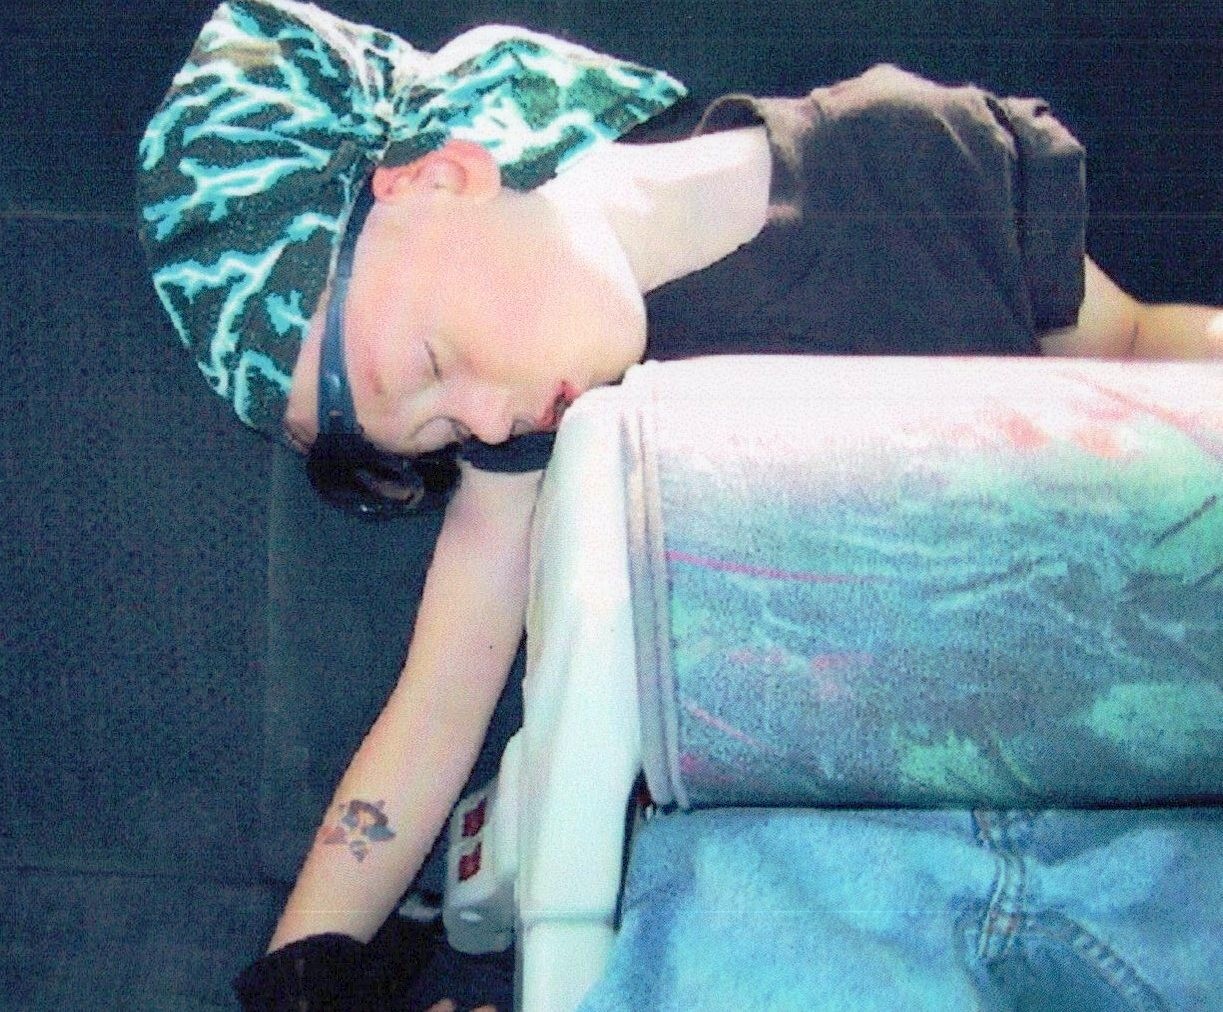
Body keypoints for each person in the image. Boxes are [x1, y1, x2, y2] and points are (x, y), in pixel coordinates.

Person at [137, 1, 1221, 1008]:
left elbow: (1144, 354)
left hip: (1125, 792)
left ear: (444, 175)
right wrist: (303, 973)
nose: (484, 422)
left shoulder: (909, 160)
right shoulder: (531, 434)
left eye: (433, 360)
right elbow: (435, 703)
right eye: (436, 433)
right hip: (780, 876)